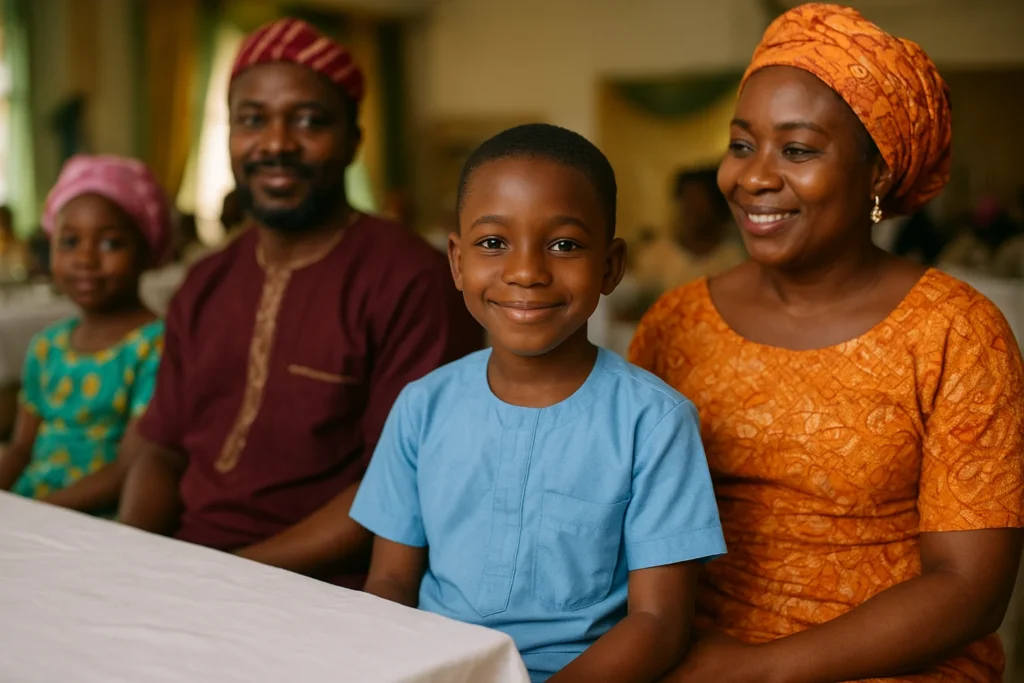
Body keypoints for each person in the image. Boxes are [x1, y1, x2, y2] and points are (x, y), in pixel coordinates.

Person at [630, 5, 1024, 683]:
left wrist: (759, 668)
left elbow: (970, 587)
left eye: (799, 149)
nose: (752, 177)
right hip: (688, 653)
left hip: (897, 665)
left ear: (878, 171)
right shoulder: (676, 322)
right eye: (741, 143)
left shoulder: (957, 332)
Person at [350, 124, 726, 683]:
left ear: (610, 266)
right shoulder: (422, 407)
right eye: (493, 243)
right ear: (457, 262)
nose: (526, 271)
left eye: (564, 244)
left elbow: (658, 622)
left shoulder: (655, 422)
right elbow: (391, 583)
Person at [117, 18, 481, 586]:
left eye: (309, 121)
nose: (277, 143)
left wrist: (225, 577)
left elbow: (397, 486)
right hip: (187, 571)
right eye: (252, 120)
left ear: (353, 141)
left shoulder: (412, 279)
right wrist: (129, 559)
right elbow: (162, 451)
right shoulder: (205, 280)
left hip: (323, 587)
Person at [0, 156, 170, 514]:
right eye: (70, 241)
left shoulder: (156, 345)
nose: (85, 260)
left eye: (110, 244)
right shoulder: (48, 346)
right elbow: (20, 449)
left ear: (146, 250)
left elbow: (130, 468)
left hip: (99, 519)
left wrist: (36, 512)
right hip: (34, 505)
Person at [633, 168, 745, 293]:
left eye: (699, 203)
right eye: (687, 200)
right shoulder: (653, 257)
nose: (691, 209)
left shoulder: (736, 259)